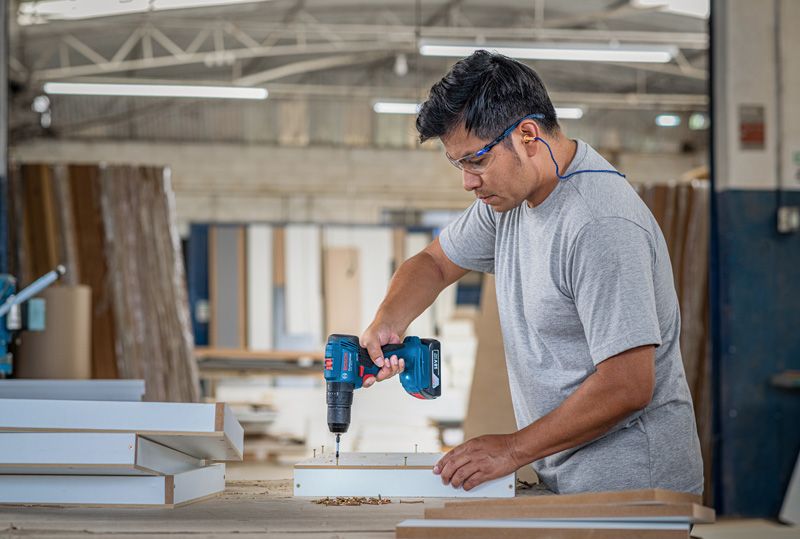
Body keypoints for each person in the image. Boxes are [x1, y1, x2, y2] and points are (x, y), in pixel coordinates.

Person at [359, 50, 703, 495]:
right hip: (566, 478)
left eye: (477, 160)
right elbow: (434, 262)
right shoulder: (510, 203)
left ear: (526, 135)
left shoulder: (600, 225)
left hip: (634, 489)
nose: (468, 181)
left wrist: (511, 450)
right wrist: (389, 319)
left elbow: (628, 385)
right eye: (458, 163)